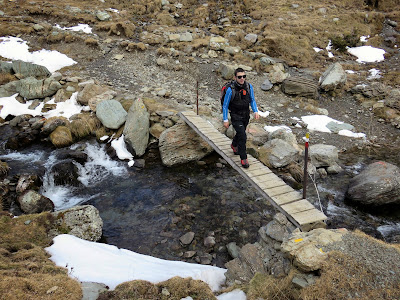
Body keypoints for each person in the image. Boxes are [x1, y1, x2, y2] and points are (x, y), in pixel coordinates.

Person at [222, 68, 259, 168]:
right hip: (235, 115)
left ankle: (234, 145)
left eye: (244, 76)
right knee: (243, 135)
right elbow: (225, 105)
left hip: (246, 115)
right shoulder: (231, 90)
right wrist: (225, 119)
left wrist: (255, 111)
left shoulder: (248, 86)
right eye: (239, 77)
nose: (242, 78)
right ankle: (244, 158)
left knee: (240, 133)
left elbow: (252, 100)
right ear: (235, 77)